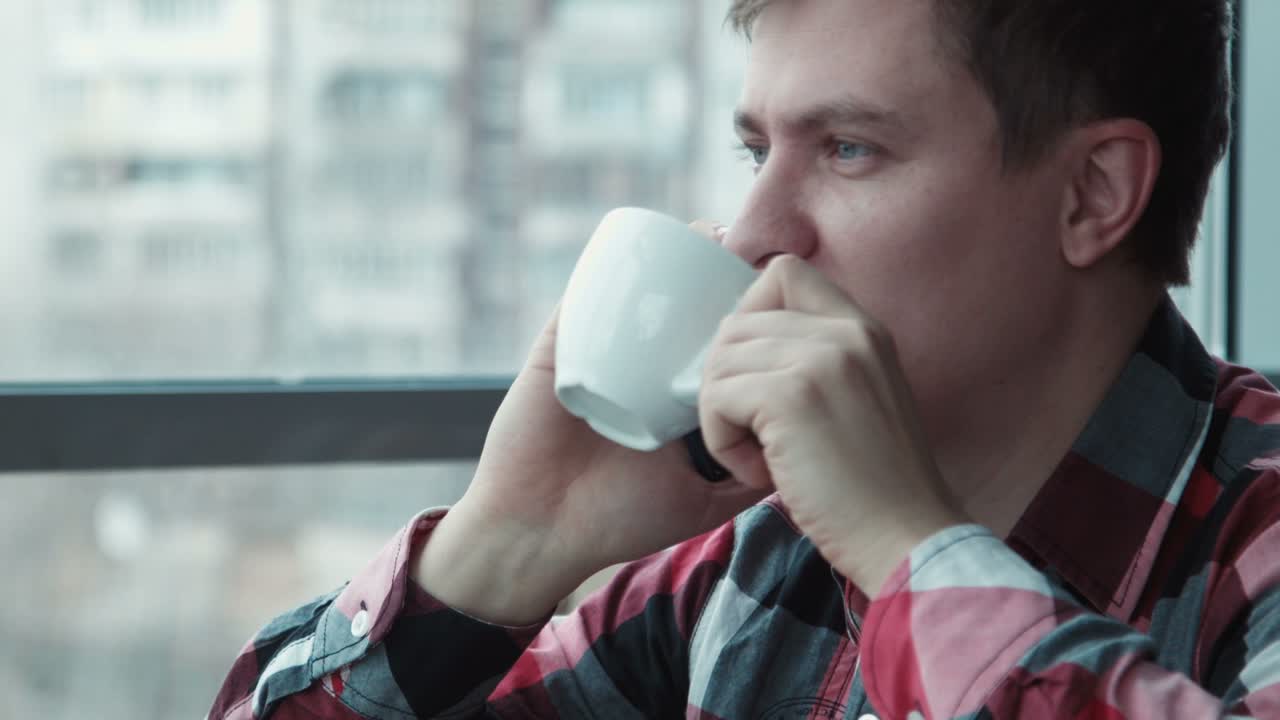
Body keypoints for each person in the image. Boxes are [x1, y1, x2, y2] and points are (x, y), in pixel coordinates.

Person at [210, 0, 1280, 717]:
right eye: (754, 151)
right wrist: (511, 545)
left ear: (1090, 194)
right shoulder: (748, 569)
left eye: (848, 149)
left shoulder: (1258, 537)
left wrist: (908, 550)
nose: (751, 234)